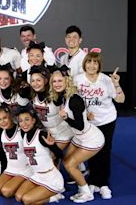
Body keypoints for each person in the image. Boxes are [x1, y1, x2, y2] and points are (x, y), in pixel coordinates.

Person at [74, 52, 125, 199]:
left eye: (95, 63)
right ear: (84, 63)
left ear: (99, 65)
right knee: (91, 150)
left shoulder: (106, 80)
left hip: (106, 120)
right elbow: (74, 101)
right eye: (89, 62)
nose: (91, 65)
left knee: (104, 150)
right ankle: (93, 181)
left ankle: (103, 184)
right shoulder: (77, 79)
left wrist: (116, 83)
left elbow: (121, 100)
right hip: (88, 122)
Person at [50, 67, 105, 203]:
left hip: (91, 138)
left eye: (60, 81)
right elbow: (57, 101)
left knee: (69, 165)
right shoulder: (64, 96)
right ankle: (81, 175)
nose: (57, 84)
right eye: (54, 81)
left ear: (67, 81)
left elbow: (79, 125)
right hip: (78, 136)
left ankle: (86, 192)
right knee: (67, 161)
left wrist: (65, 118)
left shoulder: (74, 99)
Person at [14, 106, 65, 204]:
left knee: (26, 200)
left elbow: (61, 155)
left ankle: (54, 196)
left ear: (33, 120)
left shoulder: (41, 135)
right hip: (37, 176)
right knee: (18, 197)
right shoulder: (24, 136)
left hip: (51, 177)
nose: (24, 123)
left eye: (27, 119)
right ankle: (48, 194)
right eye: (20, 121)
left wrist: (53, 146)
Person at [29, 65, 73, 150]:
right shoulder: (32, 95)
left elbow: (68, 89)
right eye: (33, 81)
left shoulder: (55, 94)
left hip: (62, 131)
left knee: (51, 158)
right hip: (48, 133)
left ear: (46, 80)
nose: (35, 83)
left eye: (38, 80)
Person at [0, 104, 32, 198]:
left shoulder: (22, 130)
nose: (3, 122)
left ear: (10, 116)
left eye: (5, 118)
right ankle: (18, 185)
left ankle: (28, 183)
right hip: (11, 168)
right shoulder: (2, 133)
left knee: (6, 191)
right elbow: (3, 155)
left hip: (25, 169)